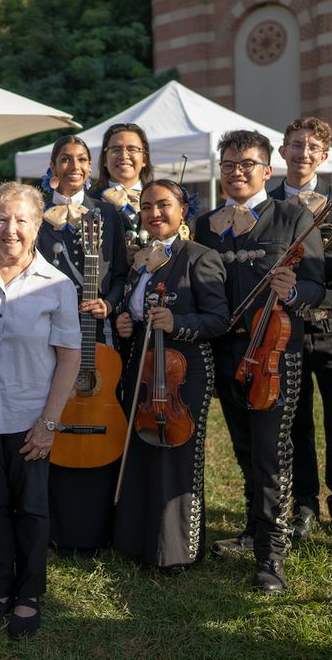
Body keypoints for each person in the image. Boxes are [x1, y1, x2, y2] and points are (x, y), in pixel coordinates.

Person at [194, 130, 325, 592]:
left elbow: (316, 288)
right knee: (245, 450)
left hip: (273, 354)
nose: (237, 172)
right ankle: (253, 530)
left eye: (247, 163)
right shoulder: (205, 224)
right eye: (228, 164)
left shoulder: (294, 217)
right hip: (225, 354)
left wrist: (291, 289)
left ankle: (272, 555)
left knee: (272, 454)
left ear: (267, 170)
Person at [0, 181, 81, 640]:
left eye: (21, 220)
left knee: (31, 508)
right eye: (1, 218)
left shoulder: (57, 285)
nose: (10, 229)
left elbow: (69, 356)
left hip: (32, 416)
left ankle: (29, 593)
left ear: (36, 226)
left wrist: (49, 423)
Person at [267, 117, 332, 544]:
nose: (303, 153)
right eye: (296, 145)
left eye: (313, 147)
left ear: (325, 157)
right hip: (282, 328)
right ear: (282, 152)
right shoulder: (268, 203)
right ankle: (304, 505)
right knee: (294, 423)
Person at [113, 180, 228, 572]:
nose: (154, 214)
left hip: (184, 371)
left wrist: (176, 322)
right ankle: (137, 541)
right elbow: (133, 310)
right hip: (142, 370)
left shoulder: (199, 256)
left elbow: (218, 319)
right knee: (143, 450)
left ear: (183, 210)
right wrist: (124, 322)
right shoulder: (140, 260)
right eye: (146, 207)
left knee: (175, 454)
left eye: (163, 205)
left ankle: (176, 551)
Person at [35, 134, 129, 557]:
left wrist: (107, 302)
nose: (75, 166)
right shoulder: (34, 211)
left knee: (98, 409)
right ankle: (51, 523)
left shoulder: (108, 213)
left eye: (83, 159)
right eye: (66, 159)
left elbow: (124, 274)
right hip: (46, 336)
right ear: (53, 165)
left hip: (97, 336)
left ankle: (99, 524)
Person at [90, 123, 154, 255]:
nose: (124, 156)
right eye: (116, 149)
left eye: (132, 149)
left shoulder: (162, 199)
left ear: (144, 159)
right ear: (104, 160)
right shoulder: (88, 203)